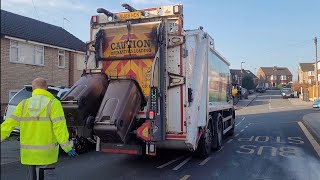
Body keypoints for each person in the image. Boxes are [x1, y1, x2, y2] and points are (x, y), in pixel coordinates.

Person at [1, 78, 77, 180]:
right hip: (47, 155)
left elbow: (8, 125)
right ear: (46, 88)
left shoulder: (23, 104)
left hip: (28, 155)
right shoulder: (53, 104)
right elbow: (59, 128)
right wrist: (67, 147)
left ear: (33, 89)